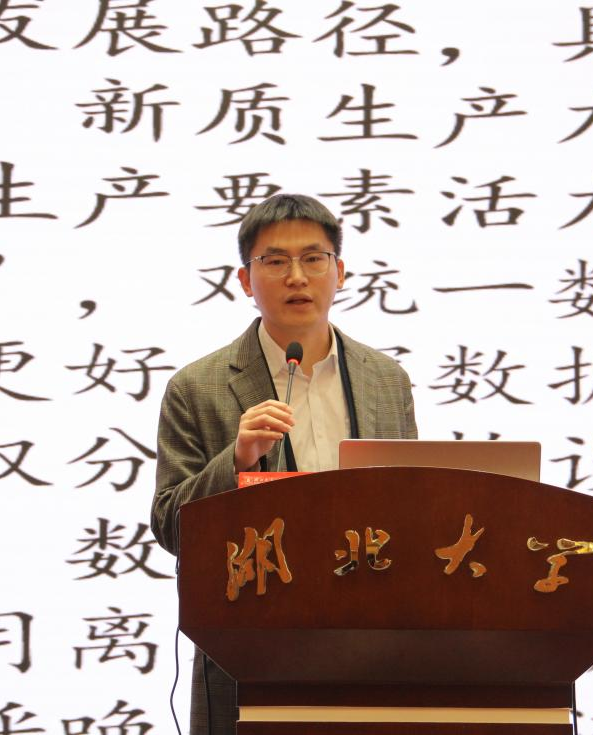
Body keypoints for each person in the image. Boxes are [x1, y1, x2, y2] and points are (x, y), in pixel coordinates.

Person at [150, 193, 417, 735]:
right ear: (246, 281)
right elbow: (169, 526)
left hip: (374, 647)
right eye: (275, 261)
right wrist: (236, 459)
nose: (297, 277)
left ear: (340, 272)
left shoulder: (386, 380)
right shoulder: (197, 387)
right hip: (249, 653)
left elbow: (413, 507)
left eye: (314, 259)